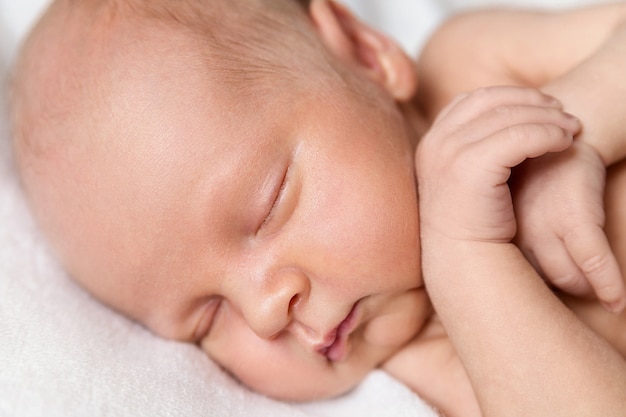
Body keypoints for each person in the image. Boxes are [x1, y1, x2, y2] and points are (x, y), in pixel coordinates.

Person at [8, 0, 626, 415]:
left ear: (364, 54)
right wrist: (469, 261)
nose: (265, 310)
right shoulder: (436, 363)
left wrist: (583, 128)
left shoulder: (477, 66)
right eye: (206, 320)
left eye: (267, 207)